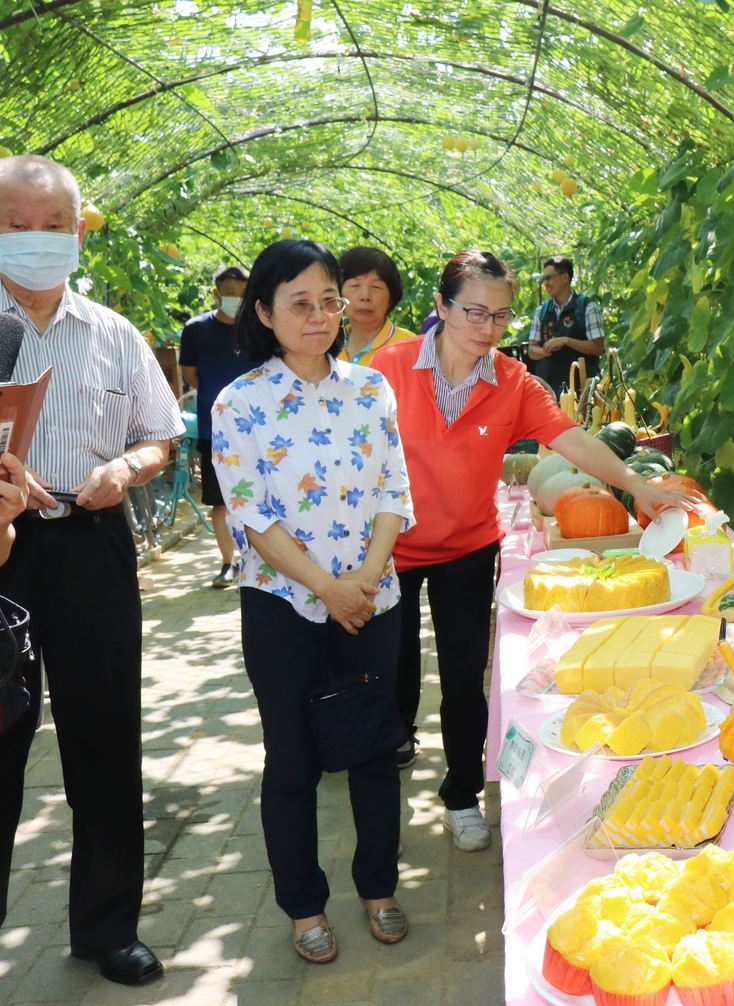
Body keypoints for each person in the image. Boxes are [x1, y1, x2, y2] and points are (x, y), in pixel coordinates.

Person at [371, 250, 690, 849]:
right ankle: (379, 784)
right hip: (387, 550)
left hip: (466, 547)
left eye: (500, 317)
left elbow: (571, 438)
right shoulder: (386, 369)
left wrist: (636, 484)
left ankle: (463, 794)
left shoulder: (512, 381)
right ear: (440, 307)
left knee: (466, 681)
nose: (486, 328)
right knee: (386, 674)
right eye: (472, 312)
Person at [0, 154, 184, 986]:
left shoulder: (113, 333)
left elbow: (159, 434)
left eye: (52, 226)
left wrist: (131, 470)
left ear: (78, 232)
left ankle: (107, 928)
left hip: (91, 539)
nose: (36, 242)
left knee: (105, 736)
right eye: (15, 224)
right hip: (2, 546)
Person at [211, 238, 413, 963]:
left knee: (373, 750)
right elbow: (253, 516)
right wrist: (327, 589)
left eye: (329, 299)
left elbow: (394, 489)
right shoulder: (240, 402)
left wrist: (363, 580)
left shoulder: (370, 389)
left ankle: (379, 887)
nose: (322, 314)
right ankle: (303, 906)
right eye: (301, 302)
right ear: (263, 312)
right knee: (291, 760)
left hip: (370, 599)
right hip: (283, 607)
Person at [179, 264, 249, 588]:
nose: (236, 299)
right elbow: (191, 375)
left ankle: (258, 562)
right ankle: (227, 562)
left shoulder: (257, 328)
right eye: (231, 293)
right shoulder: (196, 329)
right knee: (221, 502)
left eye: (242, 294)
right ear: (216, 293)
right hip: (215, 430)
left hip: (256, 429)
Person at [527, 254, 603, 397]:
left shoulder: (587, 307)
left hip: (580, 395)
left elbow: (598, 348)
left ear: (565, 277)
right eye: (544, 279)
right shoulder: (541, 311)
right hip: (546, 394)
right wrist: (546, 351)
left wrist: (566, 341)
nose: (546, 283)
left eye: (549, 278)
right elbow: (532, 350)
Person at [337, 246, 418, 366]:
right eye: (355, 285)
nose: (365, 296)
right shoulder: (327, 343)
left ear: (391, 298)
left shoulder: (411, 347)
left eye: (376, 287)